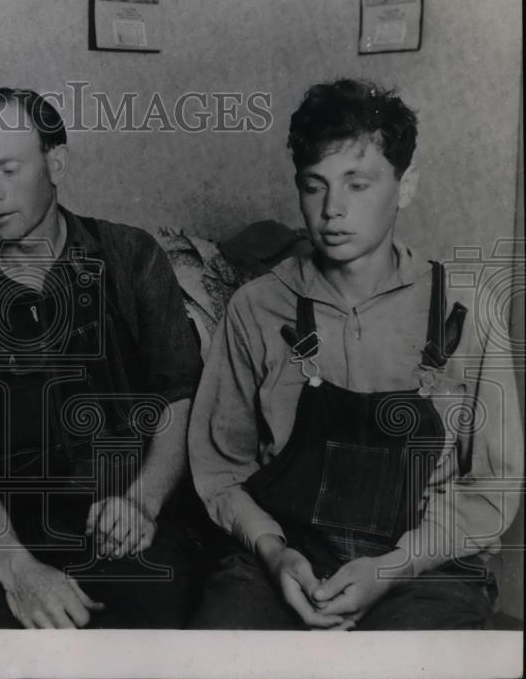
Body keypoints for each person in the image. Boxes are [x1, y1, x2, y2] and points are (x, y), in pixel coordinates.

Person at [188, 78, 523, 630]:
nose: (332, 210)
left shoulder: (466, 309)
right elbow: (221, 471)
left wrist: (393, 569)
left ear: (405, 185)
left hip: (422, 569)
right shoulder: (258, 306)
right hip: (289, 559)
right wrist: (273, 553)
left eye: (358, 185)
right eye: (314, 186)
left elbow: (492, 484)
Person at [0, 77, 207, 628]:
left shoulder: (131, 257)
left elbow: (178, 397)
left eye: (8, 169)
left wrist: (142, 502)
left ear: (57, 164)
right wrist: (18, 570)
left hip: (137, 516)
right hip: (11, 533)